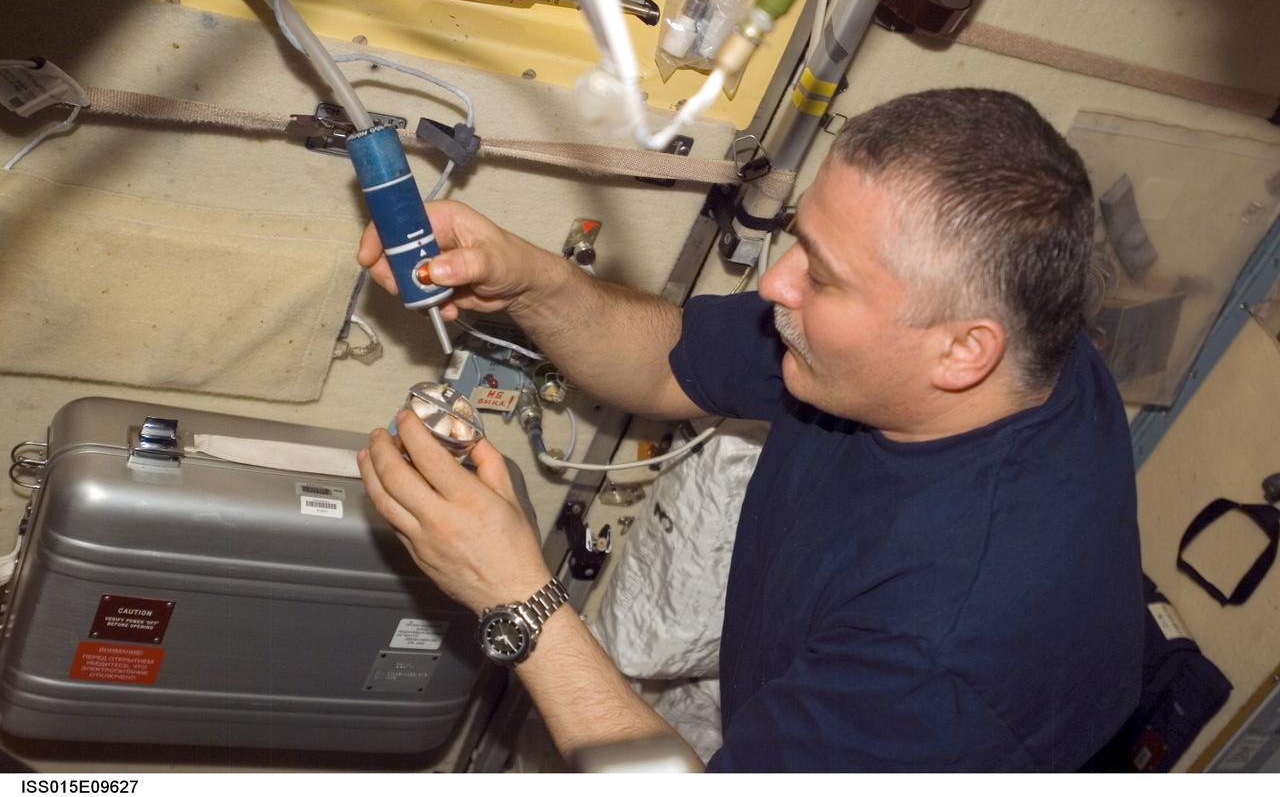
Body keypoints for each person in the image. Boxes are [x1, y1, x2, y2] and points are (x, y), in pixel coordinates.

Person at [355, 88, 1144, 771]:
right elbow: (672, 364)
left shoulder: (949, 662)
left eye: (823, 276)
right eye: (802, 238)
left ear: (963, 351)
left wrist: (517, 597)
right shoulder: (1003, 337)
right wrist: (532, 282)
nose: (775, 281)